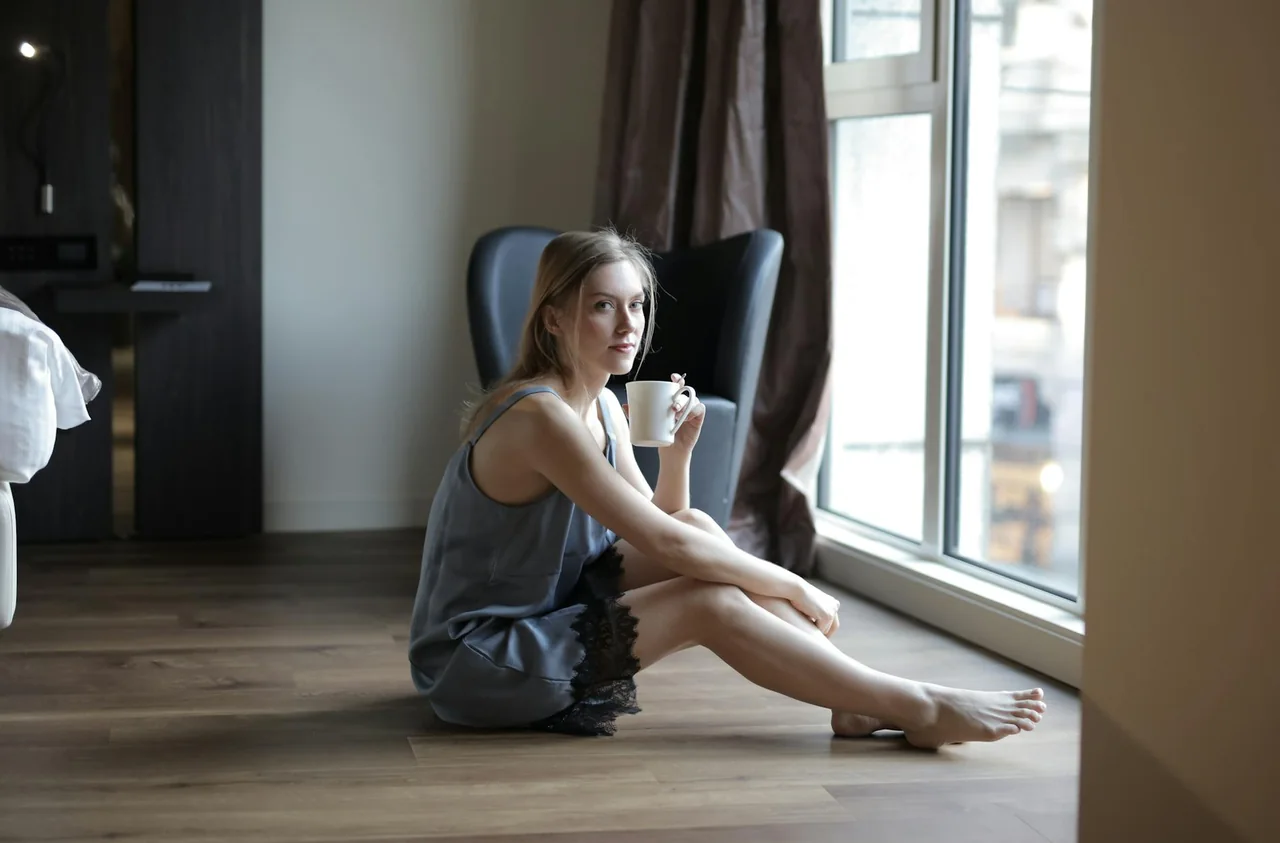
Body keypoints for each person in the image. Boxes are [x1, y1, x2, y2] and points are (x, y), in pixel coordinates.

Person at [408, 228, 1047, 745]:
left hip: (545, 610)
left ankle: (859, 701)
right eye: (603, 306)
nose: (628, 324)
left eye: (636, 304)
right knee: (706, 602)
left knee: (699, 529)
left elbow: (665, 528)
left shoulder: (601, 403)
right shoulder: (537, 416)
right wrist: (789, 581)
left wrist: (678, 455)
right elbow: (670, 554)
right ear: (553, 319)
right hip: (477, 661)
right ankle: (915, 704)